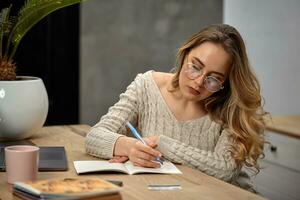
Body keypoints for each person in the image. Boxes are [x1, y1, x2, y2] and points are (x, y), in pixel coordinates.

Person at [85, 24, 267, 191]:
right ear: (184, 55)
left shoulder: (230, 107)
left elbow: (225, 170)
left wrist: (161, 145)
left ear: (225, 83)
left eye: (214, 79)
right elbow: (95, 136)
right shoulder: (146, 86)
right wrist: (130, 147)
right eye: (195, 66)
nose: (198, 82)